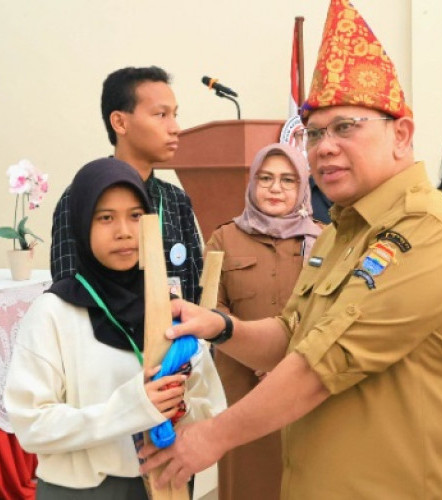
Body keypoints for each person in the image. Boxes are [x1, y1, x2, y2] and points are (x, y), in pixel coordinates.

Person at [140, 1, 442, 498]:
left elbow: (319, 366)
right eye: (315, 132)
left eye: (345, 127)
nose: (324, 147)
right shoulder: (337, 231)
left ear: (401, 134)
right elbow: (294, 334)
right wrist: (220, 326)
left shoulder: (428, 231)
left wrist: (210, 438)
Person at [4, 157, 226, 499]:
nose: (124, 231)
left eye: (136, 216)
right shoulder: (53, 313)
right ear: (80, 223)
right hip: (81, 491)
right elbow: (32, 425)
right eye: (105, 217)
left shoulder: (170, 308)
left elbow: (209, 403)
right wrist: (130, 407)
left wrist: (181, 410)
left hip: (165, 485)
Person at [206, 142, 321, 500]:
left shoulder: (324, 239)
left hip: (306, 379)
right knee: (248, 481)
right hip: (241, 385)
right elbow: (212, 309)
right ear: (252, 182)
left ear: (303, 186)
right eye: (266, 178)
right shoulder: (224, 237)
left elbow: (330, 310)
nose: (275, 188)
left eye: (288, 180)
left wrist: (286, 365)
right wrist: (255, 354)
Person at [50, 66, 203, 303]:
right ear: (120, 123)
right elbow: (69, 291)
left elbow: (194, 289)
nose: (175, 128)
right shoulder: (82, 197)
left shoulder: (176, 199)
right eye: (161, 115)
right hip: (106, 336)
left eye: (175, 115)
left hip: (176, 337)